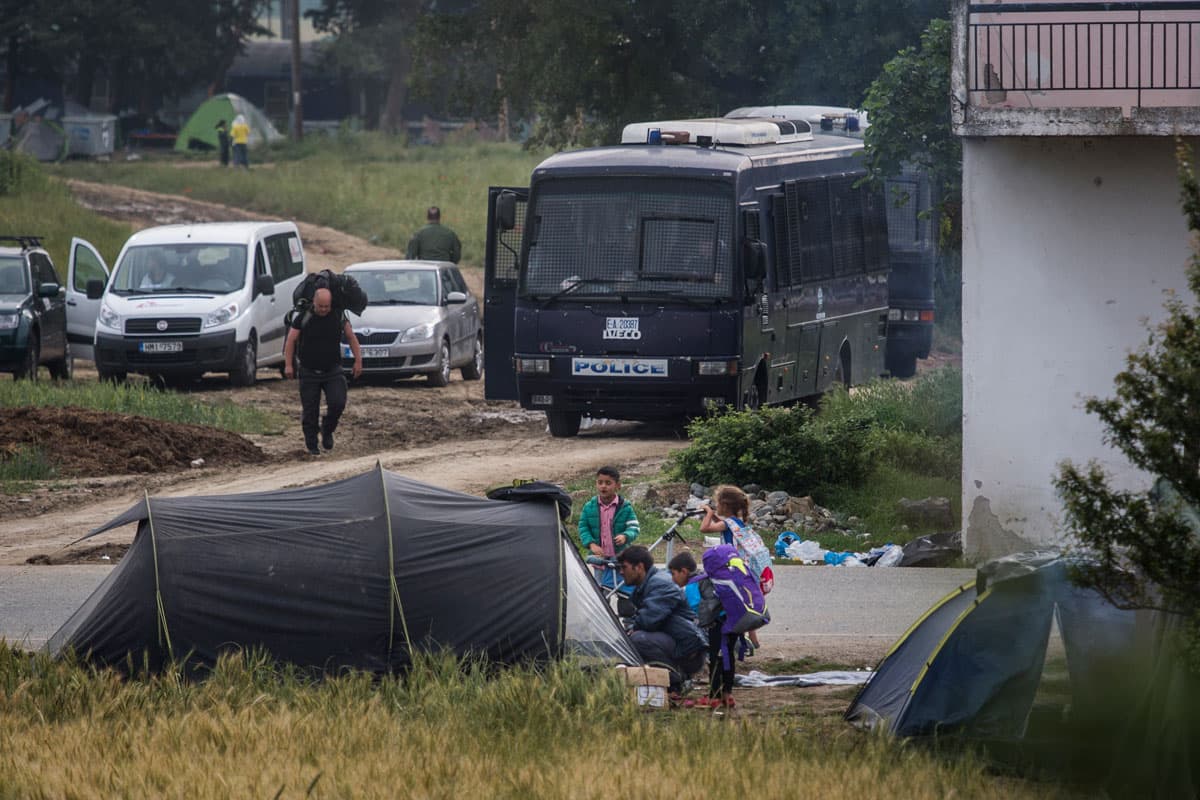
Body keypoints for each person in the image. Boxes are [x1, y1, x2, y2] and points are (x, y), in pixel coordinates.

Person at [617, 545, 708, 697]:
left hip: (690, 651)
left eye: (624, 567)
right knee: (631, 640)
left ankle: (677, 680)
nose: (621, 572)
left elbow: (649, 620)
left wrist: (631, 629)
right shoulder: (647, 584)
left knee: (637, 640)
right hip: (676, 643)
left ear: (639, 567)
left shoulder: (661, 584)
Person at [283, 287, 362, 456]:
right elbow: (291, 340)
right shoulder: (304, 316)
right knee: (310, 411)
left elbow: (351, 337)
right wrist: (288, 365)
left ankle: (327, 430)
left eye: (327, 306)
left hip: (333, 370)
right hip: (309, 371)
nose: (324, 309)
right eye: (321, 306)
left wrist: (358, 360)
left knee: (338, 403)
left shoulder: (338, 316)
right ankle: (312, 445)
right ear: (314, 303)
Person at [700, 484, 775, 650]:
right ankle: (754, 641)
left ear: (725, 506)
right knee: (747, 604)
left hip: (732, 570)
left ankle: (743, 639)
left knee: (734, 602)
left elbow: (704, 528)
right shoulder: (738, 522)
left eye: (718, 504)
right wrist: (715, 516)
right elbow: (723, 524)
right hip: (745, 569)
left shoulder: (727, 524)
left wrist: (709, 513)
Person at [668, 552, 735, 710]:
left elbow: (694, 610)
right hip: (732, 619)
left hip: (717, 624)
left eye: (673, 574)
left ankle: (714, 697)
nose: (672, 578)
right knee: (727, 657)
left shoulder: (692, 584)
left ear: (684, 571)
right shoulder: (706, 577)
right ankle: (727, 694)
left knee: (715, 660)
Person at [578, 466, 640, 589]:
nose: (603, 486)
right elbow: (583, 527)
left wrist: (625, 535)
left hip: (620, 559)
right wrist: (591, 544)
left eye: (608, 483)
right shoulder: (589, 507)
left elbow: (634, 527)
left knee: (624, 591)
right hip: (599, 560)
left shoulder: (625, 507)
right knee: (601, 592)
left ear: (618, 486)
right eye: (600, 482)